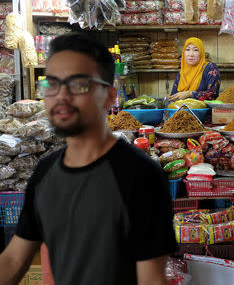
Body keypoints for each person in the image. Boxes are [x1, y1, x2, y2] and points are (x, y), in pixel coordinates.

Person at [0, 33, 178, 284]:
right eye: (51, 84)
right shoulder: (44, 173)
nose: (60, 96)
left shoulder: (140, 174)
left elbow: (152, 279)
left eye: (78, 84)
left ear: (109, 96)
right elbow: (14, 260)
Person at [168, 37, 220, 101]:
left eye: (195, 50)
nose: (191, 54)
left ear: (201, 53)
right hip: (182, 109)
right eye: (187, 49)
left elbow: (212, 95)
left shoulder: (210, 68)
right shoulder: (182, 73)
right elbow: (173, 97)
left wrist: (190, 94)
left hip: (203, 110)